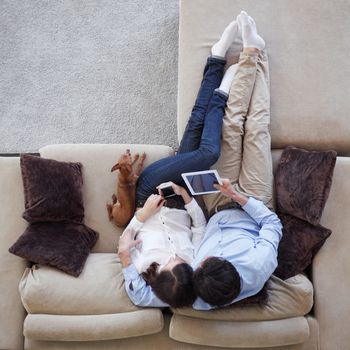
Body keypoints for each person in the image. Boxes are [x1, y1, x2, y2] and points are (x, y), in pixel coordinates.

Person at [118, 17, 240, 308]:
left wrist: (143, 215)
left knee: (208, 152)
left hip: (151, 193)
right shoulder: (191, 268)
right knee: (196, 126)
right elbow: (198, 229)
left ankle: (222, 88)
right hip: (183, 196)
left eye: (169, 263)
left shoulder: (141, 269)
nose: (175, 257)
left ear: (158, 278)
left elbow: (125, 240)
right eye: (180, 262)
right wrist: (187, 199)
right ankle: (216, 59)